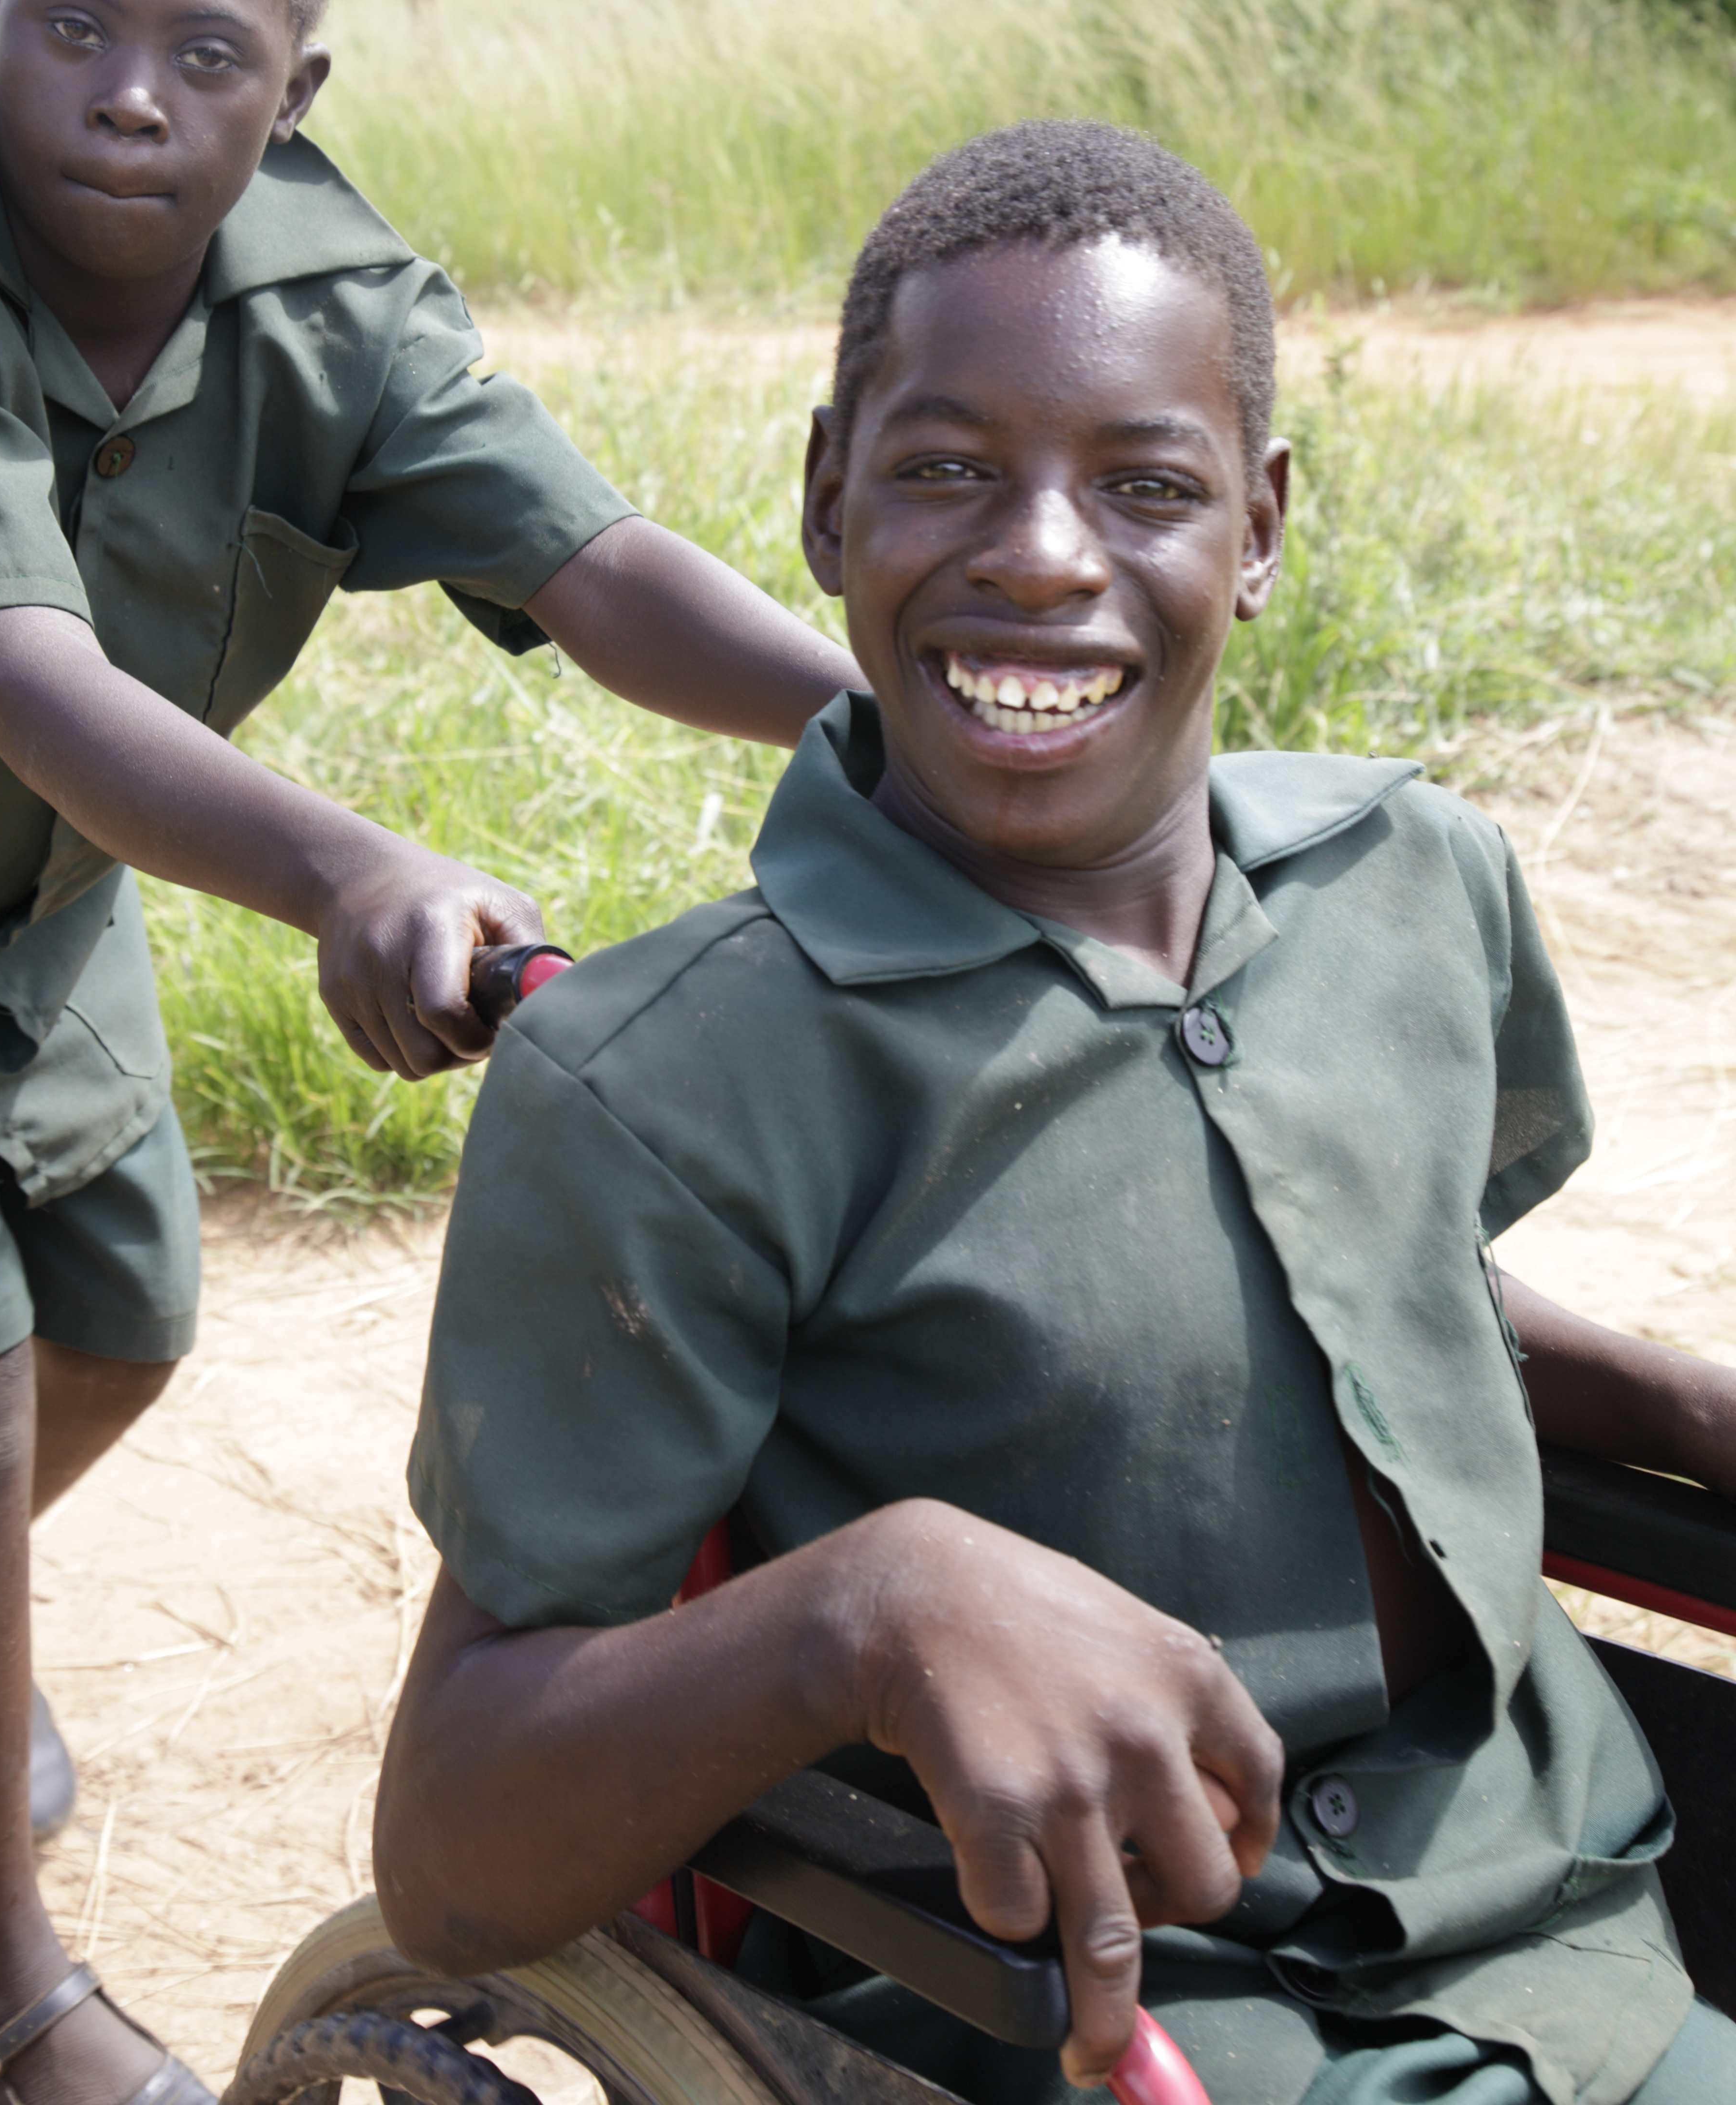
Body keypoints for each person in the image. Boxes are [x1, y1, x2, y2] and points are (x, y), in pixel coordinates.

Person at [376, 119, 1736, 2105]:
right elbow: (452, 1850)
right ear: (827, 498)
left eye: (1147, 484)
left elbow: (1364, 1301)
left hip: (1574, 1887)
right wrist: (857, 1609)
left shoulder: (1417, 889)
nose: (1037, 549)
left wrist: (1683, 1411)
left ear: (1260, 528)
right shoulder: (673, 1085)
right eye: (942, 468)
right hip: (1106, 2001)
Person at [0, 0, 859, 2105]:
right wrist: (354, 869)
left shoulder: (328, 305)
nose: (134, 94)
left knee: (121, 1327)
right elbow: (27, 677)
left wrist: (905, 727)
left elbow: (597, 569)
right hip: (9, 821)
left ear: (297, 89)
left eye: (207, 54)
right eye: (73, 29)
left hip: (25, 929)